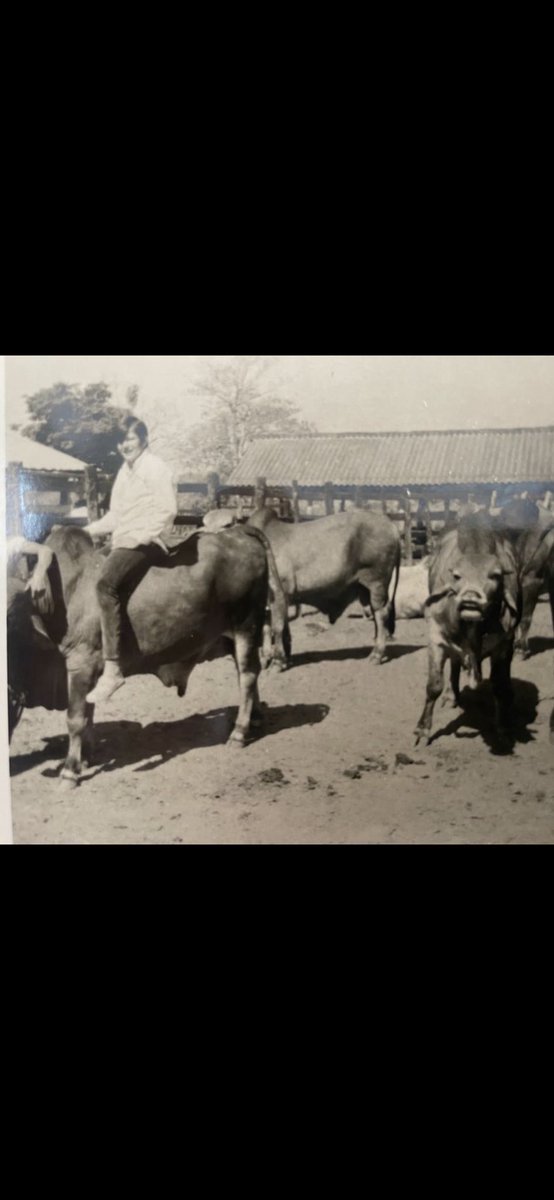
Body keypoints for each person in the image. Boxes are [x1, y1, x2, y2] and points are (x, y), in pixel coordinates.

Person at [83, 417, 177, 704]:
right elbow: (116, 516)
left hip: (148, 542)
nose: (124, 445)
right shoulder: (125, 471)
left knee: (106, 584)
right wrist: (86, 531)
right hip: (124, 540)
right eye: (120, 441)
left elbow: (167, 510)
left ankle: (113, 669)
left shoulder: (156, 468)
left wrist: (140, 537)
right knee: (90, 569)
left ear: (144, 440)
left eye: (130, 439)